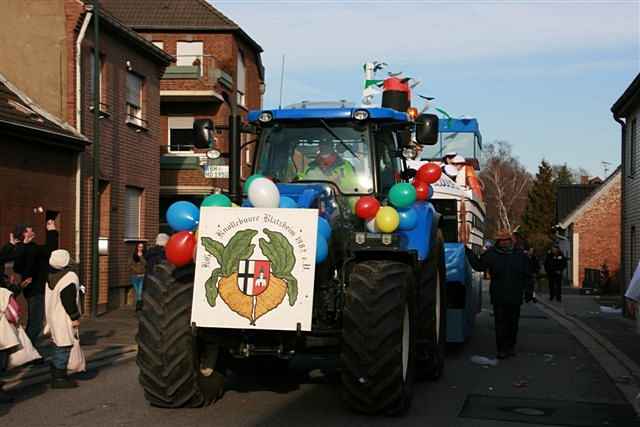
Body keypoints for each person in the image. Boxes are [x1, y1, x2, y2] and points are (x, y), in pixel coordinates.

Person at [464, 230, 534, 359]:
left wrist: (529, 291)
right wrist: (468, 252)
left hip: (515, 294)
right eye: (501, 240)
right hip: (499, 295)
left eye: (506, 240)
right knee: (500, 323)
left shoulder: (520, 255)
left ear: (511, 241)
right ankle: (501, 349)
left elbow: (528, 275)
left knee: (512, 323)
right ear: (498, 242)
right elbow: (479, 266)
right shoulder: (491, 254)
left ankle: (511, 347)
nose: (504, 242)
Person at [46, 249, 81, 389]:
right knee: (65, 346)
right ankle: (59, 378)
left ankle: (56, 373)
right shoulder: (69, 277)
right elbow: (68, 300)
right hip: (64, 316)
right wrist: (75, 317)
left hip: (53, 315)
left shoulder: (50, 275)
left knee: (57, 344)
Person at [129, 242, 146, 311]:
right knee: (137, 291)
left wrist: (141, 256)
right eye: (139, 247)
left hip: (142, 276)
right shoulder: (133, 255)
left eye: (142, 247)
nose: (140, 248)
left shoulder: (144, 255)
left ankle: (138, 307)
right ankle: (138, 305)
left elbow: (145, 263)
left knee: (140, 291)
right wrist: (136, 271)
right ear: (137, 247)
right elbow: (130, 264)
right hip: (135, 276)